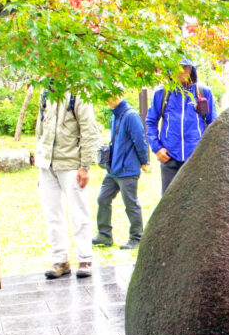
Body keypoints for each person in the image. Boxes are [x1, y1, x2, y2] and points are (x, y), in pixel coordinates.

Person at [35, 80, 102, 279]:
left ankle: (85, 259)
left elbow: (89, 130)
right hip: (47, 165)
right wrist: (39, 157)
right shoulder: (46, 92)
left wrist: (85, 166)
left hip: (72, 164)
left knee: (79, 213)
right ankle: (60, 260)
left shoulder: (78, 92)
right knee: (52, 214)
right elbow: (40, 128)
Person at [145, 58, 217, 193]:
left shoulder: (202, 91)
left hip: (196, 159)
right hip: (170, 157)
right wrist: (157, 148)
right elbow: (150, 121)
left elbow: (213, 123)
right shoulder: (162, 93)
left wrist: (208, 151)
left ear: (192, 69)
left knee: (196, 203)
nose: (182, 71)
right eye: (177, 67)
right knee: (168, 205)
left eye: (186, 67)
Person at [92, 91, 152, 250]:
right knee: (102, 199)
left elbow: (140, 140)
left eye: (111, 95)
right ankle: (104, 235)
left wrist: (144, 161)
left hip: (128, 170)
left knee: (130, 204)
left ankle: (137, 237)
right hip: (113, 170)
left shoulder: (131, 115)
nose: (109, 100)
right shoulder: (114, 116)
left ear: (120, 95)